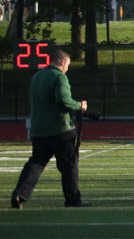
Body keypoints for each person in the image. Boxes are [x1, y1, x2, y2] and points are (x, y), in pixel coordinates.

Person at [10, 47, 87, 208]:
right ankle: (73, 200)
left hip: (38, 129)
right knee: (69, 165)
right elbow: (64, 100)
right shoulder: (59, 77)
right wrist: (79, 105)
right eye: (67, 65)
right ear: (61, 62)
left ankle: (20, 194)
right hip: (60, 129)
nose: (67, 69)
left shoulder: (37, 76)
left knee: (36, 163)